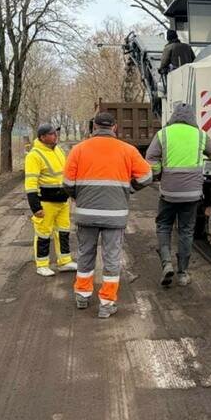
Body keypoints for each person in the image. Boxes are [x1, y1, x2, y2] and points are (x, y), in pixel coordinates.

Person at [63, 112, 152, 318]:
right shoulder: (127, 150)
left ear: (94, 126)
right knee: (112, 258)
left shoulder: (79, 149)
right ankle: (106, 303)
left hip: (86, 214)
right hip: (115, 214)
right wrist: (129, 189)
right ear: (115, 127)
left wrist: (80, 196)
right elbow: (147, 176)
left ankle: (82, 296)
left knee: (86, 254)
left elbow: (67, 183)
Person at [145, 103, 211, 287]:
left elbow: (150, 158)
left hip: (169, 193)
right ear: (192, 117)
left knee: (163, 226)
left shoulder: (164, 134)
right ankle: (183, 273)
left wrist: (158, 171)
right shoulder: (200, 134)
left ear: (173, 116)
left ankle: (166, 263)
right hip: (192, 194)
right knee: (186, 231)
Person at [25, 123, 77, 277]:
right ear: (42, 137)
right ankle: (42, 265)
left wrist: (72, 193)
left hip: (62, 201)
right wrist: (35, 207)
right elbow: (30, 183)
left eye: (56, 133)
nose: (56, 136)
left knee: (63, 231)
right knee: (43, 234)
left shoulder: (58, 150)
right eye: (52, 134)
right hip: (46, 203)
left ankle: (64, 261)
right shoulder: (34, 155)